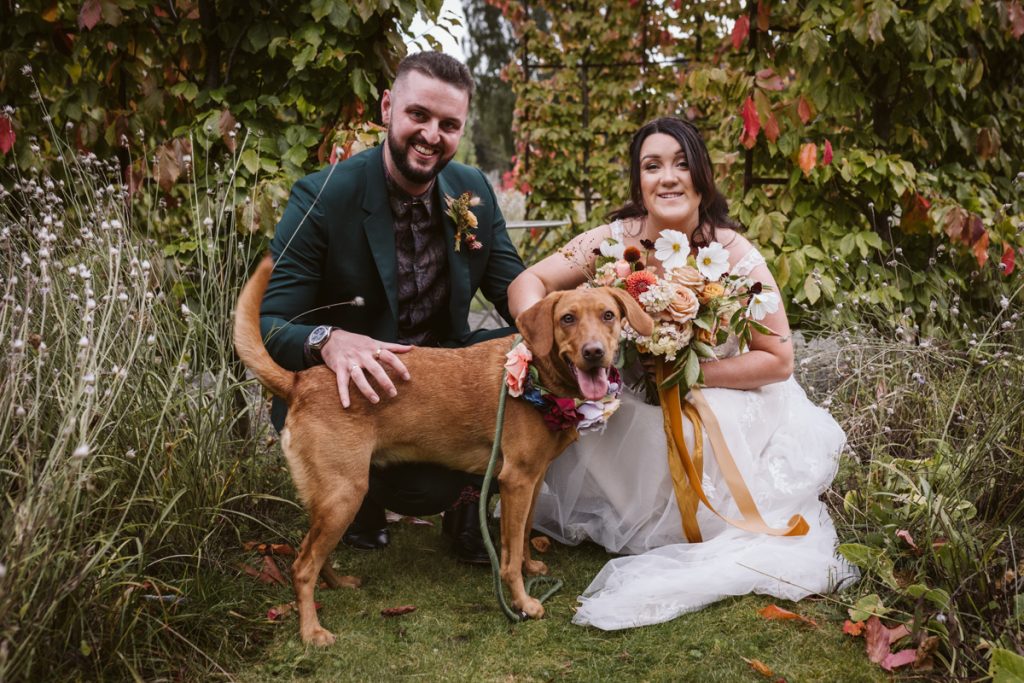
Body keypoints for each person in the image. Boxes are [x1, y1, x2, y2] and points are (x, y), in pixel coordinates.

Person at [506, 117, 856, 629]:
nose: (667, 177)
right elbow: (529, 281)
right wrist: (544, 346)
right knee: (605, 413)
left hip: (717, 397)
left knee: (689, 427)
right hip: (627, 397)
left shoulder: (734, 253)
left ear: (701, 177)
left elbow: (778, 359)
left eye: (681, 163)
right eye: (652, 166)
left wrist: (689, 377)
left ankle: (690, 520)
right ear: (639, 183)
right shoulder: (612, 241)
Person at [260, 52, 525, 564]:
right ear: (387, 107)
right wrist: (328, 341)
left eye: (449, 125)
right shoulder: (323, 195)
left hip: (436, 387)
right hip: (350, 397)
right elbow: (273, 325)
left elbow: (513, 290)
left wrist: (570, 325)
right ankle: (358, 498)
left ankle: (468, 515)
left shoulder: (473, 192)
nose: (431, 135)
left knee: (514, 366)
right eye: (418, 115)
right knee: (416, 490)